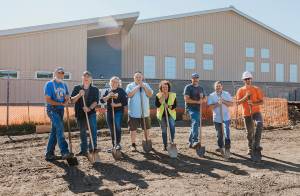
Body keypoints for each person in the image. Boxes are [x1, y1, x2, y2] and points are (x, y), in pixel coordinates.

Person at [44, 67, 72, 161]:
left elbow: (67, 95)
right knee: (60, 127)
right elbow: (48, 99)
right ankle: (64, 151)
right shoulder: (50, 84)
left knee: (55, 132)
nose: (61, 74)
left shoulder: (64, 85)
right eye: (59, 73)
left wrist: (67, 99)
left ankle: (49, 154)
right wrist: (60, 103)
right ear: (55, 73)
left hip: (61, 110)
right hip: (52, 109)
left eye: (62, 73)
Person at [70, 71, 99, 156]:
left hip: (91, 113)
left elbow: (96, 101)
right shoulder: (77, 88)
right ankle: (83, 150)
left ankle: (92, 147)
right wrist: (79, 95)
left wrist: (89, 108)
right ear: (82, 78)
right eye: (84, 76)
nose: (86, 78)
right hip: (80, 113)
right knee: (82, 131)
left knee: (93, 130)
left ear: (90, 79)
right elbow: (72, 100)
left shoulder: (95, 89)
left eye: (88, 77)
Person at [236, 71, 264, 156]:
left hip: (256, 112)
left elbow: (262, 101)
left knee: (259, 123)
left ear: (251, 79)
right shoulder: (240, 90)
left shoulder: (256, 89)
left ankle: (257, 144)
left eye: (249, 78)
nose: (248, 80)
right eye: (246, 79)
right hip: (247, 114)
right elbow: (237, 102)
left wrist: (253, 104)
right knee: (249, 132)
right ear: (244, 80)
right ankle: (250, 147)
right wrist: (245, 96)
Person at [126, 71, 153, 151]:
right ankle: (133, 144)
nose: (138, 78)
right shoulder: (130, 85)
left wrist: (144, 87)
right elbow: (129, 95)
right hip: (134, 113)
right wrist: (138, 87)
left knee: (147, 128)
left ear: (142, 78)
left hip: (145, 112)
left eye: (140, 77)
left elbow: (150, 94)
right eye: (136, 77)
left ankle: (146, 141)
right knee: (133, 129)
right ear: (134, 78)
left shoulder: (146, 85)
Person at [101, 76, 128, 151]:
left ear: (118, 83)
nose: (114, 83)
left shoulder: (121, 91)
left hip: (118, 112)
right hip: (109, 112)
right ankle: (114, 145)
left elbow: (125, 102)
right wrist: (108, 96)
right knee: (112, 129)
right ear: (110, 83)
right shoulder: (107, 90)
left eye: (116, 82)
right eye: (112, 82)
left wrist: (116, 105)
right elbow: (102, 101)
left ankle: (118, 144)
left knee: (117, 127)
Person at [207, 81, 233, 155]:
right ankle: (221, 147)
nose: (218, 87)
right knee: (219, 133)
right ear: (214, 87)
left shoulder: (226, 94)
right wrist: (217, 104)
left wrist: (223, 101)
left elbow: (231, 104)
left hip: (226, 117)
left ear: (222, 87)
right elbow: (210, 107)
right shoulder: (211, 96)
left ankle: (227, 147)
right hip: (217, 118)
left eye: (219, 86)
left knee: (226, 131)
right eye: (216, 86)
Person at [183, 73, 207, 148]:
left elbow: (205, 99)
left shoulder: (201, 88)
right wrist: (197, 102)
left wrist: (202, 100)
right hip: (190, 108)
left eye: (197, 78)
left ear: (198, 79)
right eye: (194, 78)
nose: (195, 79)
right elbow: (186, 99)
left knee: (195, 124)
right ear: (191, 79)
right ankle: (195, 140)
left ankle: (191, 142)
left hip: (198, 109)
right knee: (196, 122)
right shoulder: (188, 87)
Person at [155, 80, 177, 151]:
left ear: (168, 88)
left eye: (166, 87)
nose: (165, 89)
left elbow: (175, 105)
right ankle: (165, 145)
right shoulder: (158, 95)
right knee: (164, 130)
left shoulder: (173, 95)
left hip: (171, 114)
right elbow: (157, 105)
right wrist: (162, 97)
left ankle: (171, 141)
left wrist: (169, 106)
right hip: (161, 115)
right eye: (163, 87)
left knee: (172, 128)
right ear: (161, 88)